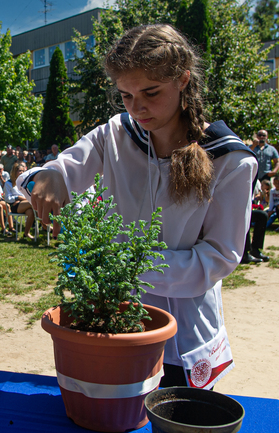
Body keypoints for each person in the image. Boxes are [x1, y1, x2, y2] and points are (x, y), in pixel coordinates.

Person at [25, 24, 257, 389]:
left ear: (182, 80)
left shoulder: (231, 160)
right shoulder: (115, 135)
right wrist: (47, 176)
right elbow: (46, 176)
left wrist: (124, 264)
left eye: (150, 92)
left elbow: (220, 258)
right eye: (126, 96)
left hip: (184, 340)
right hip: (116, 324)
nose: (138, 108)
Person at [4, 161, 35, 239]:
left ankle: (26, 233)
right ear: (15, 172)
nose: (22, 172)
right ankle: (45, 225)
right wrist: (17, 198)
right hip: (14, 205)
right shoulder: (8, 183)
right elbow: (7, 198)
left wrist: (22, 198)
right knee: (33, 203)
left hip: (24, 204)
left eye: (23, 171)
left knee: (31, 212)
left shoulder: (24, 182)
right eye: (20, 171)